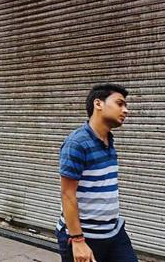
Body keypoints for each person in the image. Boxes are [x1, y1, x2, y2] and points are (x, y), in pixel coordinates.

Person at [57, 84, 136, 262]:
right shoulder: (77, 143)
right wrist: (78, 240)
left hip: (114, 232)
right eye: (120, 104)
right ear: (98, 103)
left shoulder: (108, 140)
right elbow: (67, 194)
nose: (125, 110)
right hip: (85, 236)